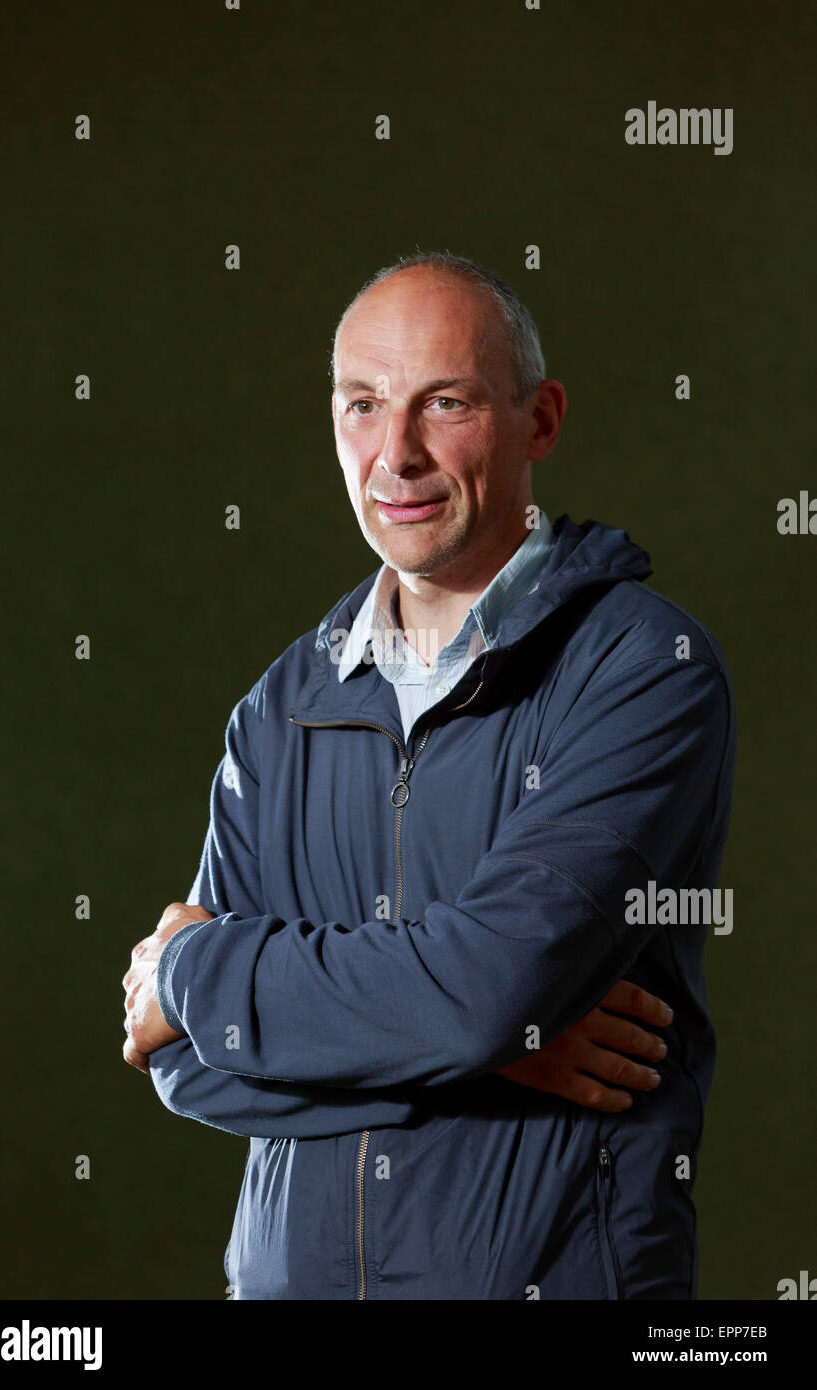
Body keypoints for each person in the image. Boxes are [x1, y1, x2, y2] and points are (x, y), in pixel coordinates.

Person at [122, 252, 736, 1300]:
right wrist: (494, 1053)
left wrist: (190, 972)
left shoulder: (642, 670)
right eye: (362, 405)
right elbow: (186, 1066)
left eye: (441, 403)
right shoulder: (283, 705)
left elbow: (483, 993)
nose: (393, 454)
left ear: (537, 421)